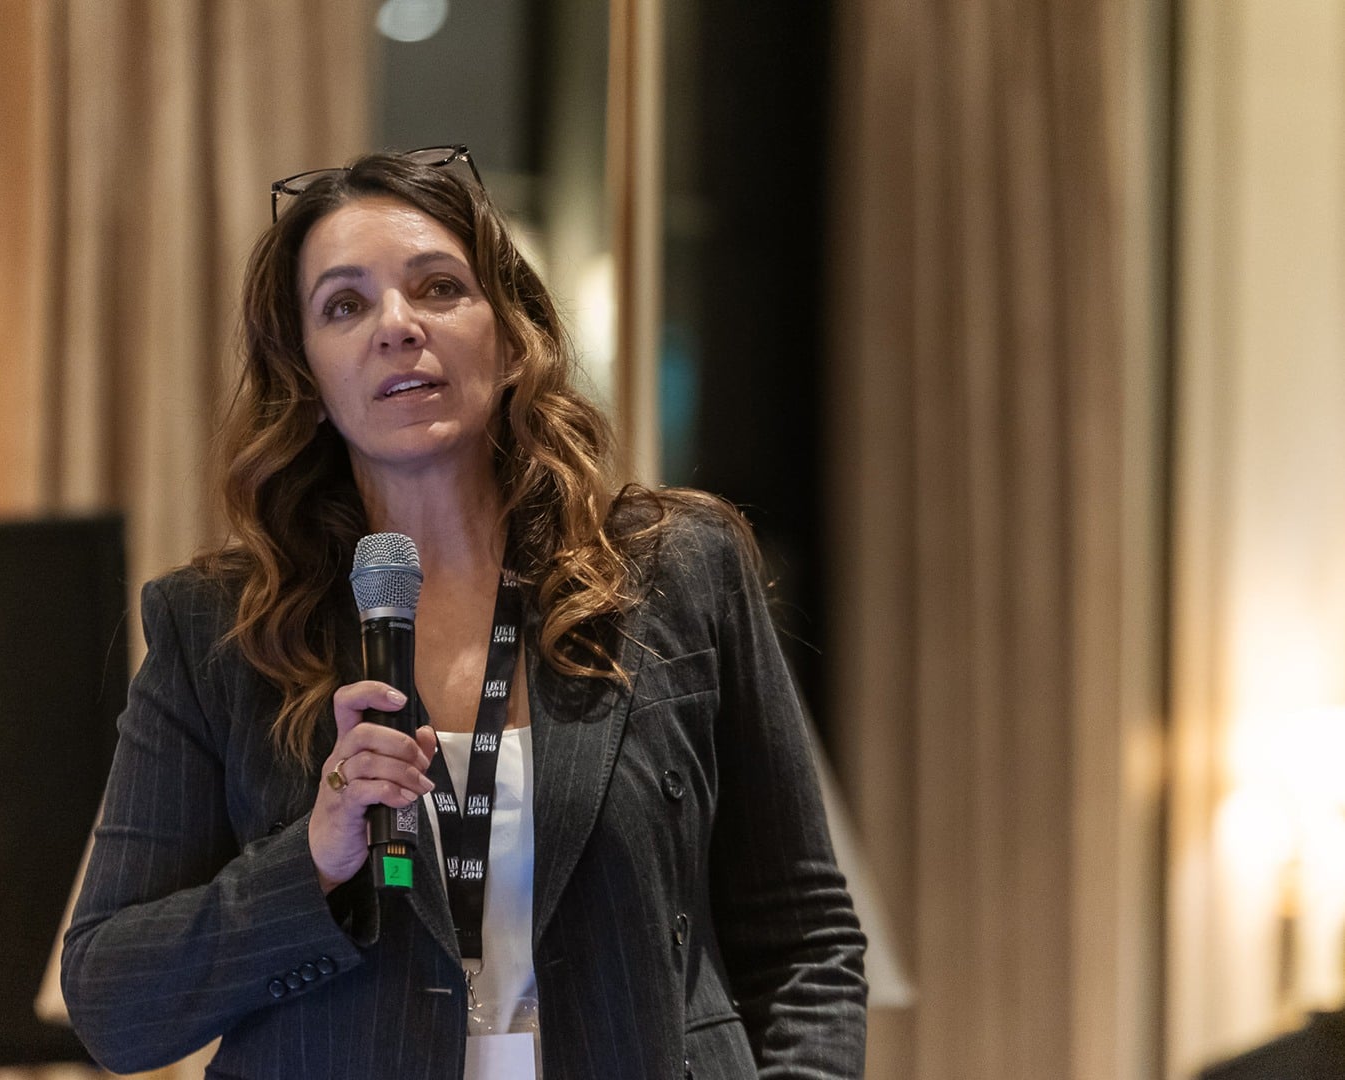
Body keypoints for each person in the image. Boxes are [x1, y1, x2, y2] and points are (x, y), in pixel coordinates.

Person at [60, 145, 867, 1080]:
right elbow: (112, 1002)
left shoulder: (673, 571)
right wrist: (312, 857)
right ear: (307, 380)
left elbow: (806, 940)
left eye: (438, 288)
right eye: (345, 306)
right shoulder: (221, 630)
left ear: (514, 338)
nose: (397, 327)